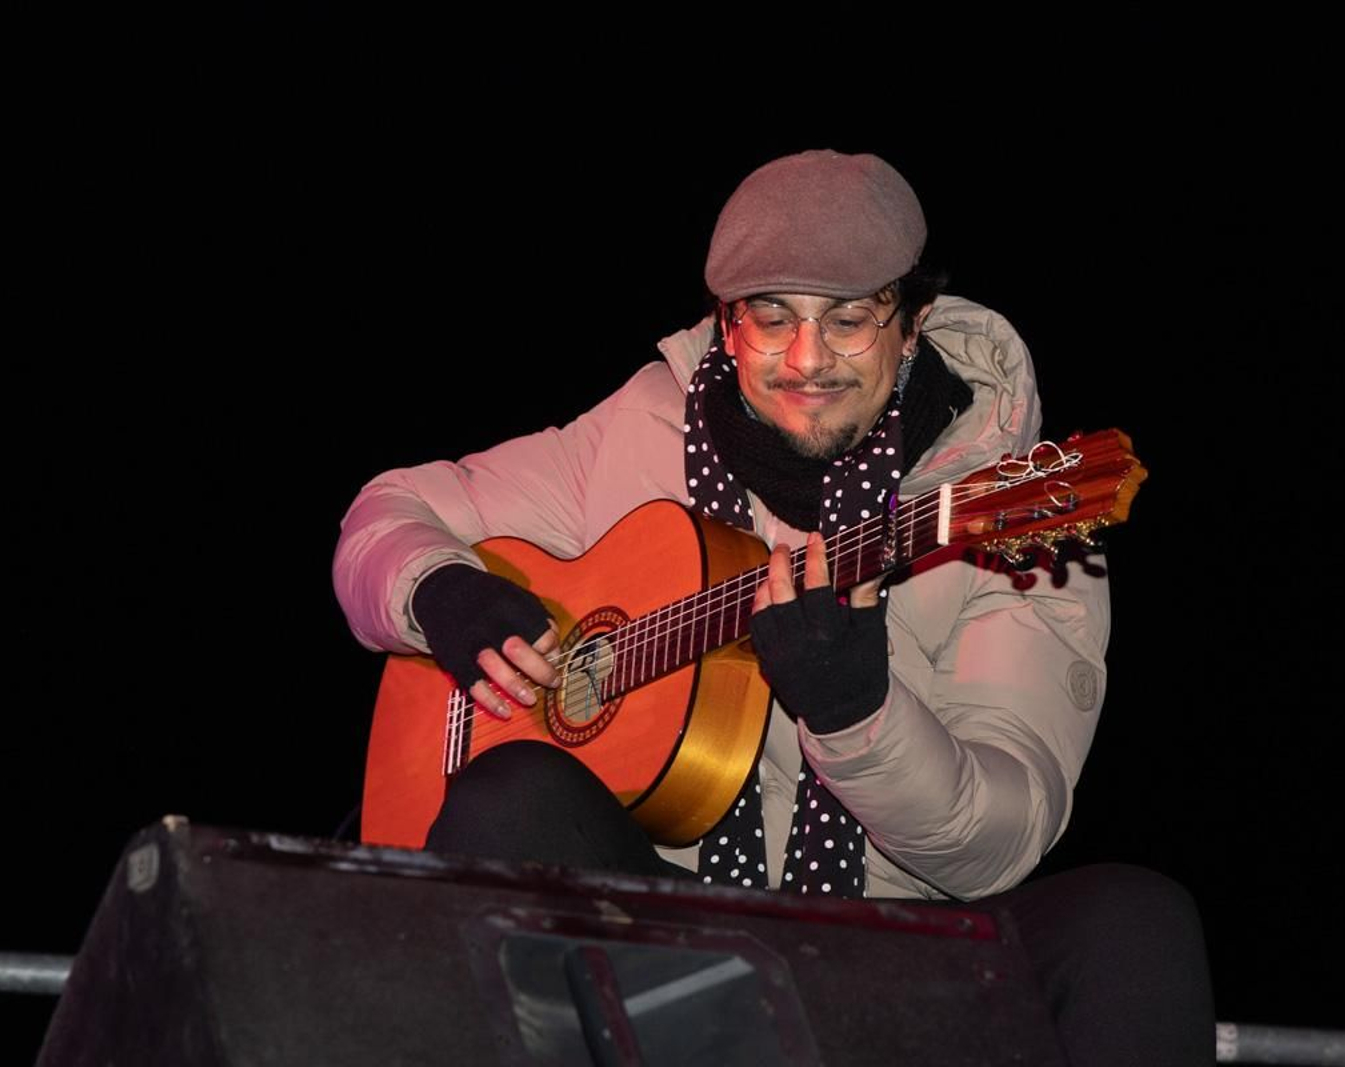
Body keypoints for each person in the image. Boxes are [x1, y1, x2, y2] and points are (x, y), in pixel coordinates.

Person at [333, 149, 1213, 1064]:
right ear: (729, 322)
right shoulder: (640, 430)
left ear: (913, 322)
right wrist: (438, 589)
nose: (807, 358)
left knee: (1132, 923)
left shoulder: (1013, 516)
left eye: (849, 319)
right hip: (658, 917)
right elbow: (390, 511)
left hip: (882, 941)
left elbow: (1001, 837)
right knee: (509, 797)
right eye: (773, 316)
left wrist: (858, 716)